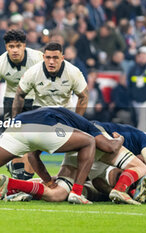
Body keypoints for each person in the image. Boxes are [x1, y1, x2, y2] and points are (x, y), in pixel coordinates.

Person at [0, 107, 125, 204]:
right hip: (42, 127)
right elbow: (107, 146)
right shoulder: (90, 126)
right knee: (89, 141)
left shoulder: (62, 115)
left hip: (18, 126)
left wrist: (47, 180)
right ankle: (77, 193)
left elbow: (33, 156)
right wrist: (119, 139)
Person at [0, 120, 146, 205]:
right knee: (138, 167)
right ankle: (122, 190)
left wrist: (47, 180)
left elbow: (33, 155)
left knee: (58, 193)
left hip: (78, 146)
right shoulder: (142, 138)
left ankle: (12, 185)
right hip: (97, 140)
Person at [9, 42, 89, 180]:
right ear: (43, 57)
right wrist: (15, 120)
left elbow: (83, 97)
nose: (51, 61)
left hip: (65, 116)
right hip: (42, 115)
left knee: (83, 145)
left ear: (62, 58)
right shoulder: (33, 72)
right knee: (31, 152)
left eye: (55, 58)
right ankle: (36, 179)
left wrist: (76, 121)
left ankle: (79, 178)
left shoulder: (73, 72)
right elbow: (19, 94)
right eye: (48, 57)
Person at [0, 29, 43, 180]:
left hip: (34, 99)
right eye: (11, 46)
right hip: (11, 99)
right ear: (6, 47)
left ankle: (25, 178)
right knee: (13, 141)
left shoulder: (38, 58)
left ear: (24, 46)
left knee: (33, 142)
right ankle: (20, 178)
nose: (15, 50)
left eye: (18, 46)